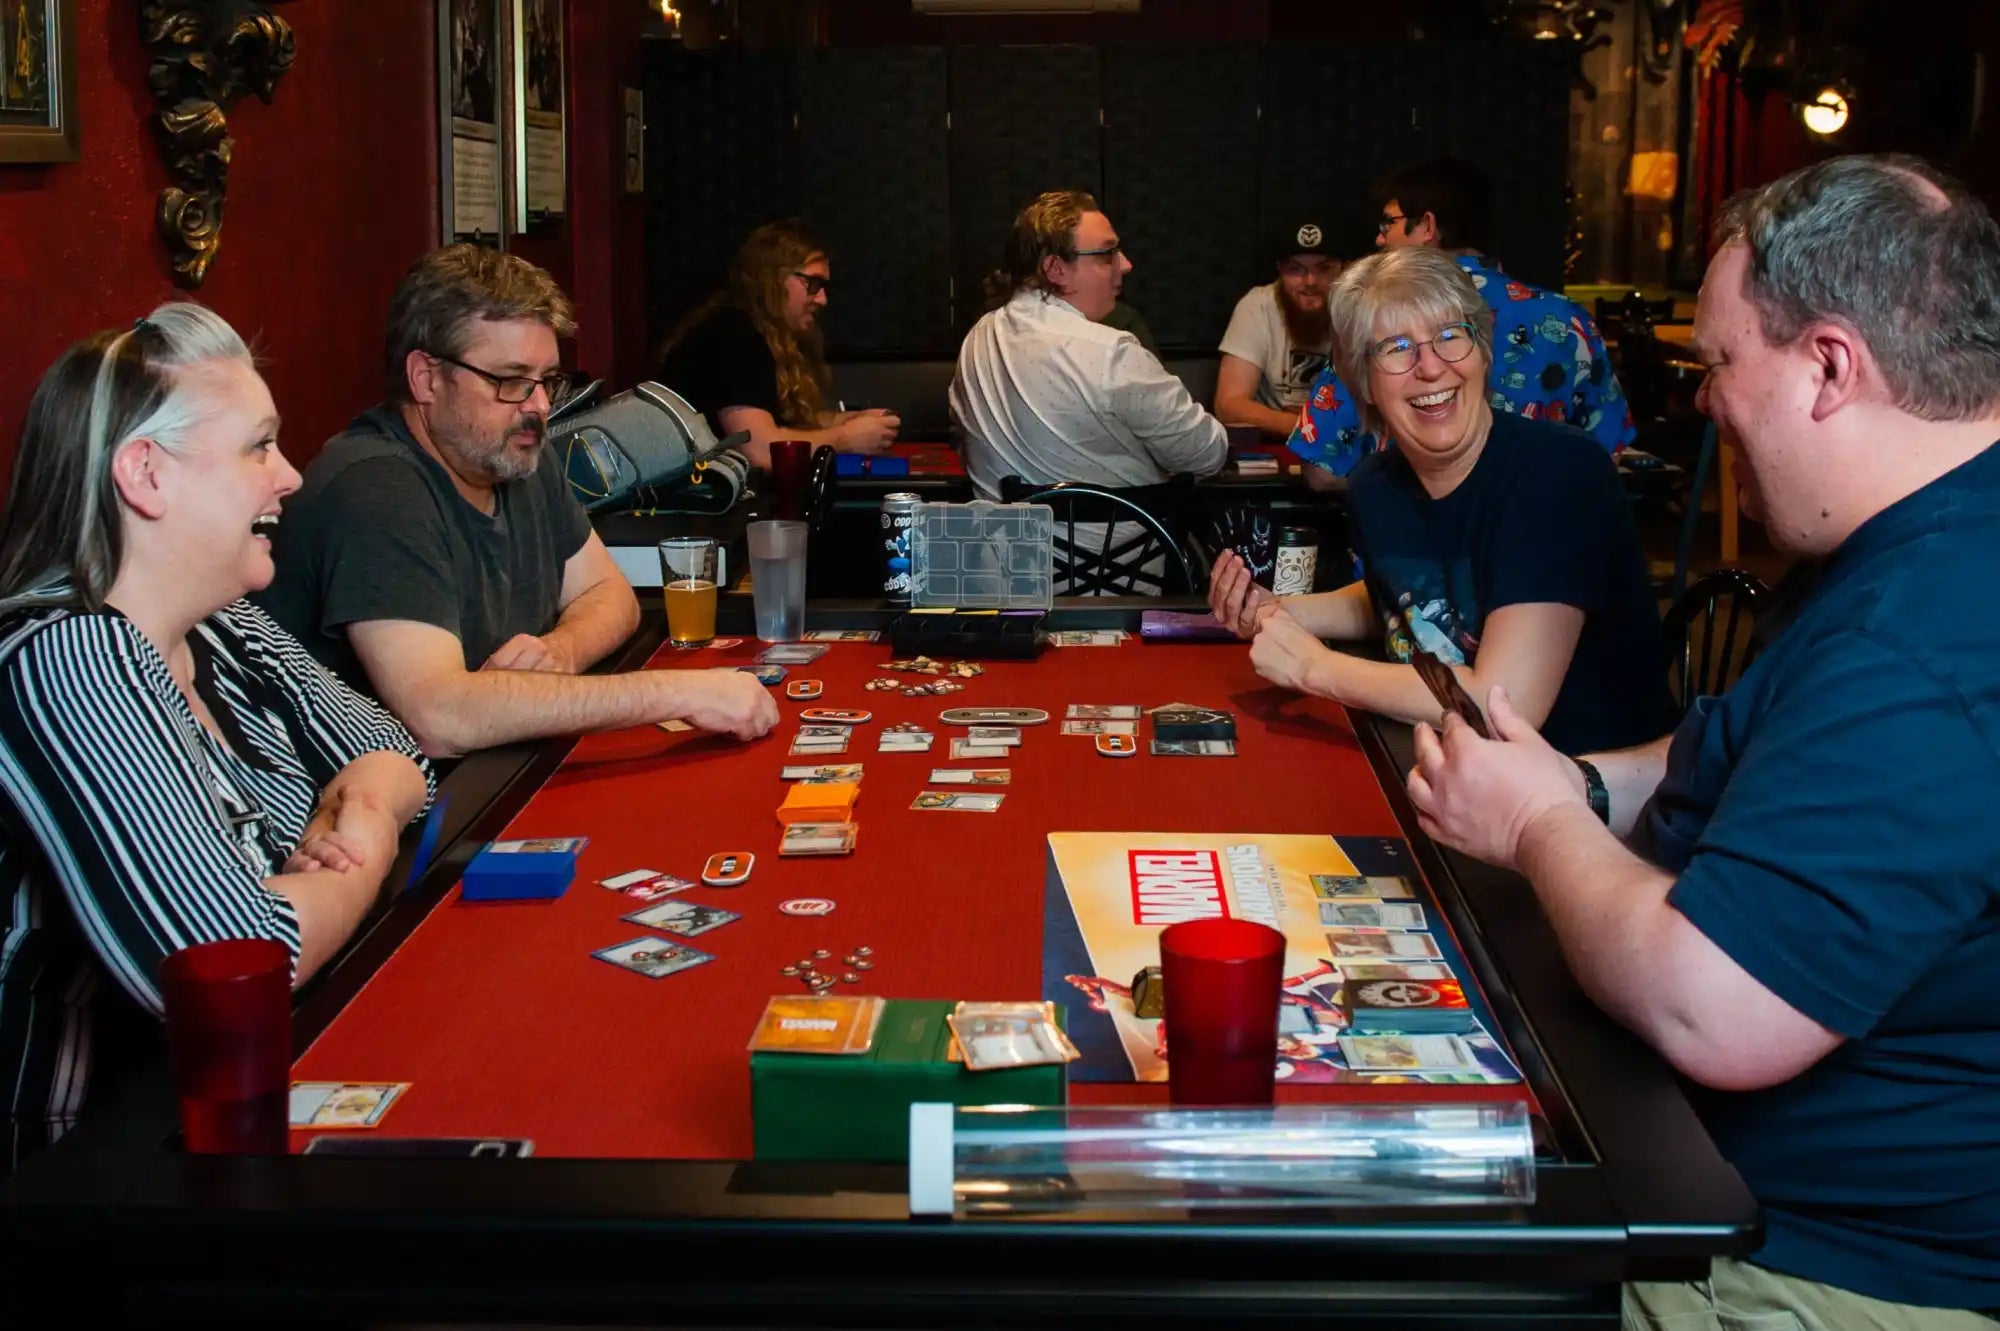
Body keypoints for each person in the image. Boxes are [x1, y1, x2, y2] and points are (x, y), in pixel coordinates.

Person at [1406, 154, 2000, 1329]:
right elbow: (1738, 756)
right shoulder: (1911, 542)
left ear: (1828, 365)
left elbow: (1712, 1007)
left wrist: (1536, 822)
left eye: (1721, 363)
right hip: (1697, 1165)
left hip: (1803, 1259)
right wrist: (1577, 778)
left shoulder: (1920, 637)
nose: (1703, 400)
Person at [0, 305, 435, 1173]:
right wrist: (372, 833)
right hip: (86, 1184)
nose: (293, 476)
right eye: (259, 446)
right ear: (145, 475)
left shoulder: (223, 620)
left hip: (217, 1125)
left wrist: (354, 820)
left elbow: (400, 753)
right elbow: (245, 959)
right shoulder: (71, 653)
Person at [255, 245, 777, 758]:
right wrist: (680, 693)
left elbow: (609, 594)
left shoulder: (516, 450)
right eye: (510, 380)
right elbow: (439, 717)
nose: (541, 406)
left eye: (547, 379)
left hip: (492, 774)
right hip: (369, 817)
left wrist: (561, 651)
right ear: (426, 377)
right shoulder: (374, 487)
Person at [1208, 246, 1674, 756]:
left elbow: (1505, 704)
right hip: (1453, 771)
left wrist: (1314, 667)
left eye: (1451, 337)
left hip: (1592, 796)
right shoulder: (1375, 485)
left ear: (1483, 351)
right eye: (1397, 348)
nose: (1431, 368)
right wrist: (1283, 612)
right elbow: (1413, 599)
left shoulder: (1557, 476)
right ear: (1361, 380)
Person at [1287, 158, 1634, 478]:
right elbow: (1606, 453)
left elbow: (1321, 470)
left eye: (1388, 223)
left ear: (1426, 225)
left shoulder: (1379, 317)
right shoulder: (1568, 318)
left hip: (1412, 540)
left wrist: (1396, 492)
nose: (1379, 238)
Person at [950, 189, 1227, 500]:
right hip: (1125, 548)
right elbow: (1205, 454)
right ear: (1056, 270)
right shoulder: (1110, 353)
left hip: (1007, 546)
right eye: (1107, 253)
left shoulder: (978, 339)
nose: (1126, 264)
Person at [656, 220, 899, 469]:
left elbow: (778, 422)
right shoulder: (734, 335)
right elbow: (761, 451)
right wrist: (845, 438)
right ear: (773, 278)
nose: (823, 299)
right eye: (814, 284)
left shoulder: (755, 329)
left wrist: (847, 421)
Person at [1214, 218, 1341, 437]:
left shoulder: (1362, 307)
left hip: (1343, 446)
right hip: (1277, 443)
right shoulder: (1258, 305)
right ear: (1280, 271)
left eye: (1324, 269)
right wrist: (1306, 426)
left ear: (1344, 269)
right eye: (1296, 269)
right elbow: (1229, 406)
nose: (1310, 281)